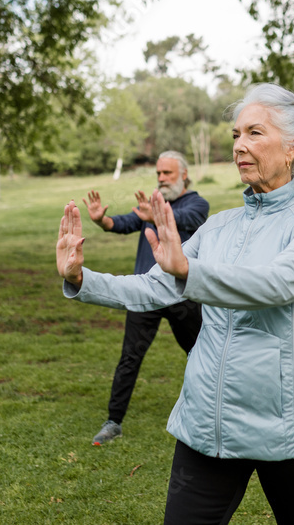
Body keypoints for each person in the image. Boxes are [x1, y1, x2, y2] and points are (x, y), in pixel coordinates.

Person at [57, 84, 294, 524]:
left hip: (290, 430)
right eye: (235, 134)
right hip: (207, 425)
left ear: (292, 148)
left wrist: (189, 272)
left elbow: (276, 285)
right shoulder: (219, 227)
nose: (240, 146)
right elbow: (152, 290)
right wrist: (80, 277)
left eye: (254, 133)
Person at [82, 151, 209, 445]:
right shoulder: (151, 205)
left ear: (184, 175)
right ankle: (113, 422)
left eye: (168, 173)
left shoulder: (196, 203)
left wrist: (158, 215)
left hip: (182, 294)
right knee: (130, 357)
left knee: (202, 352)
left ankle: (214, 408)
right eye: (159, 174)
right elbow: (125, 222)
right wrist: (103, 221)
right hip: (147, 293)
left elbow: (188, 219)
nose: (162, 179)